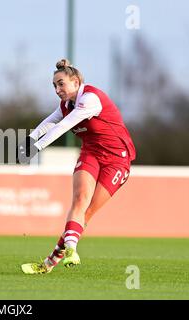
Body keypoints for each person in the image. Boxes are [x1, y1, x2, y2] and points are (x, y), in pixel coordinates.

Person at [19, 58, 136, 274]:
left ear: (76, 82)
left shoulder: (90, 99)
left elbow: (64, 126)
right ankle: (71, 250)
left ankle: (49, 263)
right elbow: (50, 121)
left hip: (117, 159)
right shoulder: (66, 104)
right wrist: (30, 139)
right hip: (91, 152)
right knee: (79, 200)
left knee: (87, 213)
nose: (57, 89)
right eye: (54, 85)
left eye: (61, 84)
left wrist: (39, 146)